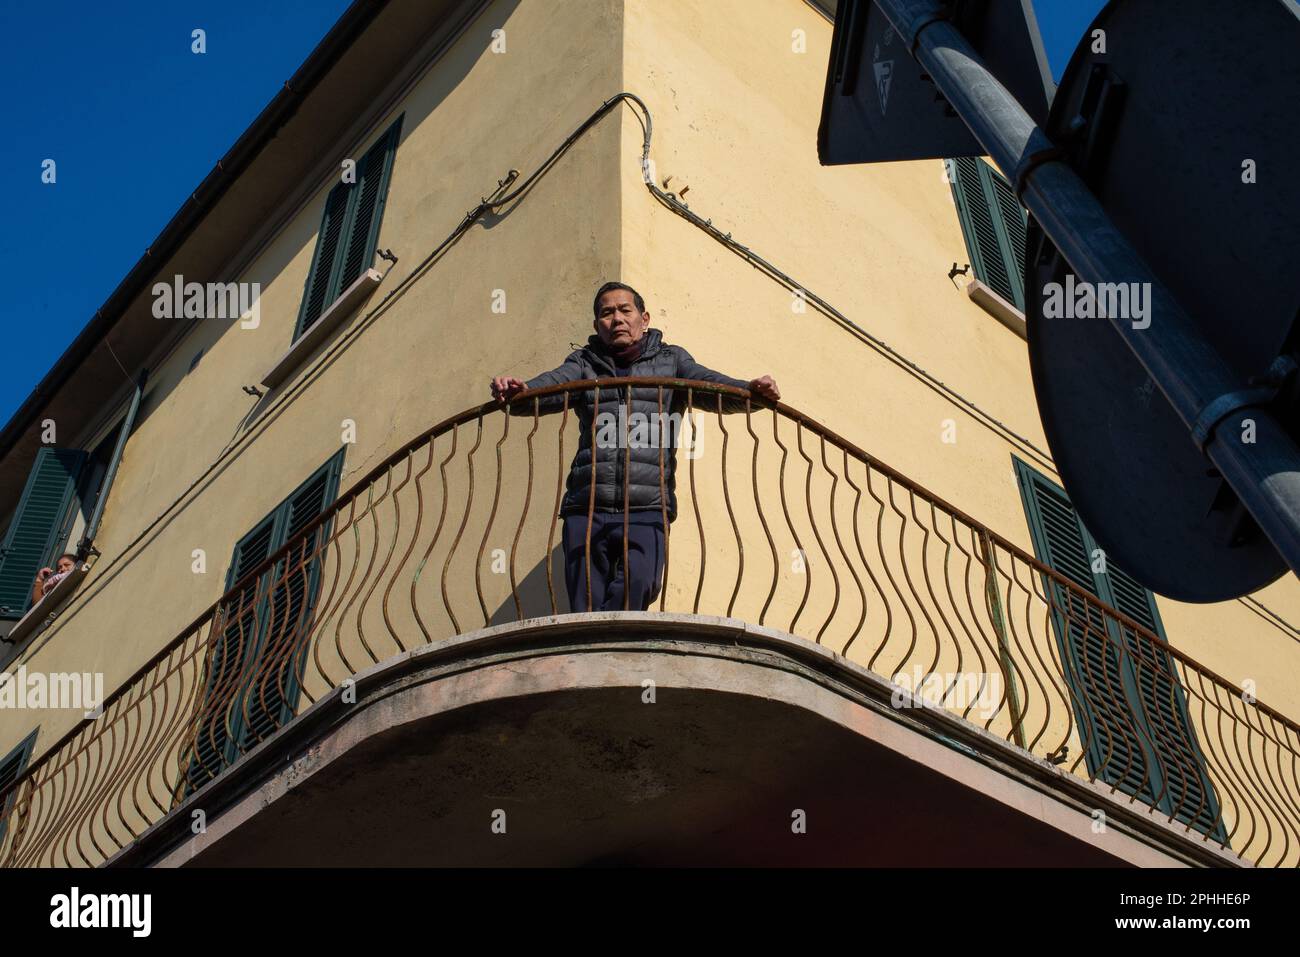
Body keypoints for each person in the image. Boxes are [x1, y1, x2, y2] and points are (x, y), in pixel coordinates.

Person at [491, 281, 779, 612]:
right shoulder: (584, 362)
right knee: (585, 600)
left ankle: (609, 645)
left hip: (647, 505)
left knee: (642, 581)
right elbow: (552, 385)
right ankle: (595, 656)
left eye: (625, 310)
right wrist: (518, 393)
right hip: (587, 503)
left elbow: (710, 385)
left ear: (644, 318)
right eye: (606, 313)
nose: (617, 319)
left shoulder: (672, 360)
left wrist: (751, 392)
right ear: (597, 325)